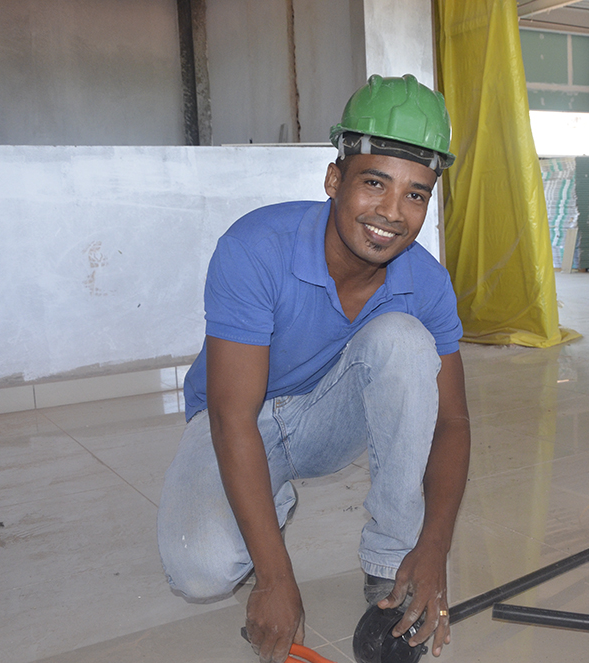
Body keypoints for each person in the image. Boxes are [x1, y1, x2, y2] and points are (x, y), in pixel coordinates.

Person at [157, 74, 470, 663]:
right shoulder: (257, 247)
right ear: (333, 180)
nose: (391, 213)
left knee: (405, 340)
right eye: (374, 183)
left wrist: (433, 548)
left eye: (415, 195)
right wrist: (274, 576)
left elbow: (452, 421)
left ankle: (391, 565)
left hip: (329, 419)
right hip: (240, 420)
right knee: (199, 571)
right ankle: (262, 506)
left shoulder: (426, 283)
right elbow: (231, 417)